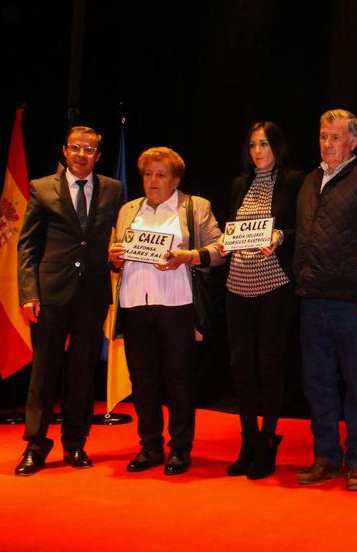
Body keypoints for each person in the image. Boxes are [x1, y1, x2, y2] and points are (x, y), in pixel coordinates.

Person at [15, 126, 123, 476]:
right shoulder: (41, 187)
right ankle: (35, 445)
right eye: (76, 147)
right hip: (49, 293)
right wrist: (29, 292)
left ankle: (75, 442)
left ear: (98, 156)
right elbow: (28, 245)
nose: (81, 154)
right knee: (44, 371)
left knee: (82, 371)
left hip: (92, 294)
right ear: (64, 150)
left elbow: (117, 238)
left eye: (89, 150)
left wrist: (116, 258)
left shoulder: (113, 189)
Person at [109, 147, 224, 476]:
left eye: (161, 174)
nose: (152, 180)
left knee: (179, 380)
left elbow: (220, 249)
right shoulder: (129, 209)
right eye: (147, 174)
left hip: (177, 304)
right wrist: (114, 257)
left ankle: (180, 448)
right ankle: (150, 446)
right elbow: (115, 254)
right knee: (142, 379)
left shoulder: (195, 206)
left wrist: (188, 256)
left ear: (175, 180)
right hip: (135, 303)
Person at [294, 109, 357, 492]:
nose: (328, 143)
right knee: (317, 383)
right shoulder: (309, 181)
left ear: (353, 141)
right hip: (312, 299)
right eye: (323, 136)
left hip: (352, 301)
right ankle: (326, 457)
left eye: (335, 137)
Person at [222, 122, 303, 480]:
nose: (257, 151)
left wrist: (280, 236)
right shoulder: (240, 184)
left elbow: (304, 229)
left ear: (277, 147)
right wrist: (225, 242)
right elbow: (231, 229)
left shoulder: (293, 181)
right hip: (237, 283)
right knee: (241, 365)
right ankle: (248, 439)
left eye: (265, 144)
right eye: (253, 144)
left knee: (269, 364)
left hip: (274, 284)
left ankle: (268, 439)